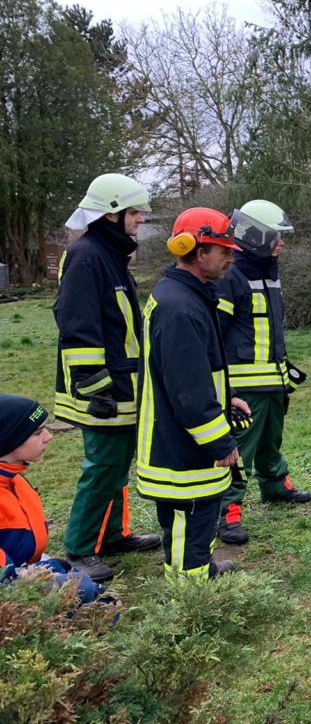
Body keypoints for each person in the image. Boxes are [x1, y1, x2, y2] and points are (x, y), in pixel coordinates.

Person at [53, 174, 161, 583]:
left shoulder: (107, 253)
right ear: (111, 214)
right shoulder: (86, 256)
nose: (139, 220)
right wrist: (95, 385)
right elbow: (76, 325)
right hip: (100, 388)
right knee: (102, 466)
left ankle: (112, 536)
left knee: (116, 465)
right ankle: (80, 549)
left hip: (121, 383)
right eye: (133, 212)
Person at [136, 207, 250, 580]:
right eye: (224, 251)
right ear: (201, 253)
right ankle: (192, 596)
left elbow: (199, 368)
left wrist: (226, 397)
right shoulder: (180, 307)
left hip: (183, 436)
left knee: (196, 521)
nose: (231, 258)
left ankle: (200, 568)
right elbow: (186, 390)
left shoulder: (186, 296)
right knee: (190, 514)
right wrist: (220, 441)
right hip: (181, 445)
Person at [214, 200, 310, 545]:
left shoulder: (268, 271)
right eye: (275, 236)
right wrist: (226, 390)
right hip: (244, 387)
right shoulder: (230, 276)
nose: (281, 243)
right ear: (255, 235)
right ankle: (227, 513)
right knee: (240, 451)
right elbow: (216, 335)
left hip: (273, 380)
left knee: (271, 441)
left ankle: (275, 486)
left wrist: (284, 373)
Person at [0, 394, 105, 604]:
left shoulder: (15, 480)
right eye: (38, 432)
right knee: (85, 591)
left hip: (24, 571)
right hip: (11, 589)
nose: (49, 437)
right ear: (8, 440)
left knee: (81, 584)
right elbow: (5, 581)